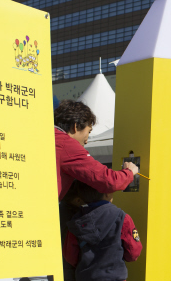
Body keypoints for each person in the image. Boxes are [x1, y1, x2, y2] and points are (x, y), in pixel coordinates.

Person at [54, 100, 139, 280]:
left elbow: (70, 255)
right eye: (88, 132)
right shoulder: (65, 144)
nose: (87, 139)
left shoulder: (44, 137)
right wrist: (129, 172)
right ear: (76, 126)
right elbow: (107, 180)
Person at [62, 181, 142, 280]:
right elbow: (133, 253)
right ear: (107, 193)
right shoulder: (122, 218)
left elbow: (70, 256)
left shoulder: (76, 221)